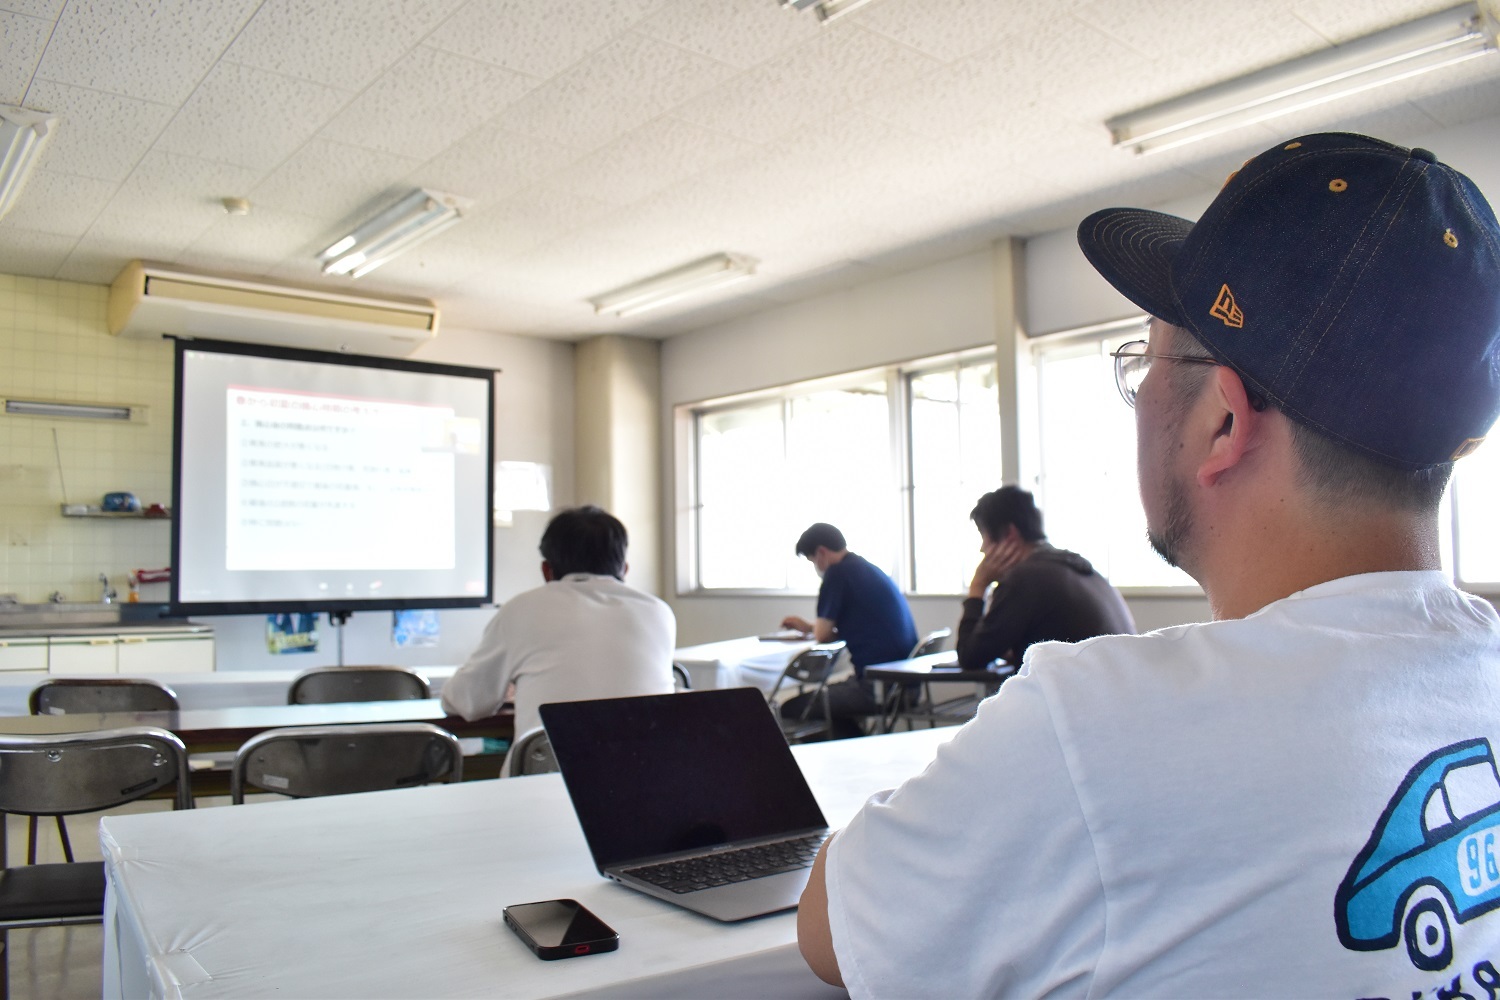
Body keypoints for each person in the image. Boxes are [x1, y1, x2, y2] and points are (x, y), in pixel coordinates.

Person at [797, 132, 1500, 995]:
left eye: (1147, 361)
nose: (1140, 400)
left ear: (1223, 424)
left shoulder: (1098, 732)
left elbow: (832, 929)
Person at [440, 505, 675, 738]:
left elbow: (465, 702)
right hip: (646, 770)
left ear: (546, 571)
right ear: (624, 570)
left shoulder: (521, 609)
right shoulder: (659, 612)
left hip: (545, 773)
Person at [957, 485, 1135, 668]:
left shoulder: (1024, 579)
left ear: (1010, 534)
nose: (982, 549)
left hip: (1080, 695)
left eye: (983, 536)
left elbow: (970, 658)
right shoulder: (1077, 568)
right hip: (1116, 690)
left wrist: (977, 586)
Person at [779, 522, 918, 738]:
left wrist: (814, 630)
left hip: (878, 688)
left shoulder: (837, 574)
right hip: (907, 685)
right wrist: (808, 627)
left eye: (812, 560)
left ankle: (854, 748)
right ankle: (858, 747)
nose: (816, 567)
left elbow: (822, 635)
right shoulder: (867, 569)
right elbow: (856, 624)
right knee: (832, 708)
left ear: (821, 552)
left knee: (790, 709)